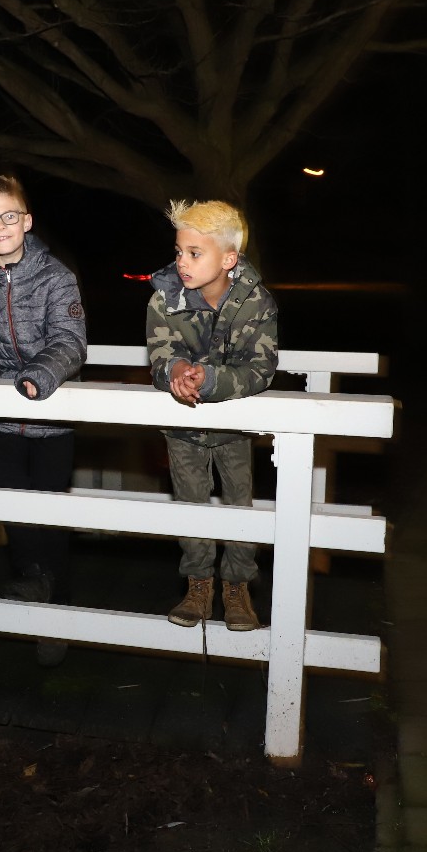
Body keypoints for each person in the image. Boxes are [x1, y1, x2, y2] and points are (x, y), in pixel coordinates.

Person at [0, 173, 87, 665]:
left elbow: (70, 340)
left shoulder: (56, 277)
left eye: (9, 216)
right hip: (2, 420)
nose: (0, 226)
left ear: (26, 221)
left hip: (52, 416)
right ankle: (33, 591)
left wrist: (38, 377)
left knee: (50, 515)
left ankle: (57, 617)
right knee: (14, 507)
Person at [147, 200, 278, 631]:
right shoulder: (165, 298)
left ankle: (237, 587)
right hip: (183, 426)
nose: (182, 262)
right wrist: (175, 371)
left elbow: (260, 369)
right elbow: (160, 354)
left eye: (194, 253)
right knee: (190, 504)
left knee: (239, 504)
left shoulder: (256, 302)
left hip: (233, 427)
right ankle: (198, 583)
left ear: (228, 259)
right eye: (179, 251)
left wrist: (211, 380)